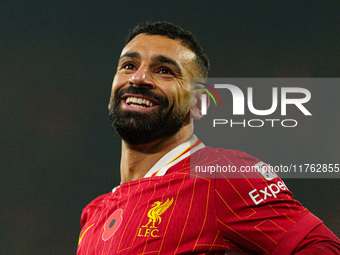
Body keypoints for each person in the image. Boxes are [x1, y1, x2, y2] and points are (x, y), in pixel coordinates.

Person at [77, 21, 340, 254]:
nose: (139, 77)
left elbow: (324, 247)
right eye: (129, 65)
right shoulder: (94, 215)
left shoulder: (221, 175)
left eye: (165, 70)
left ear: (199, 104)